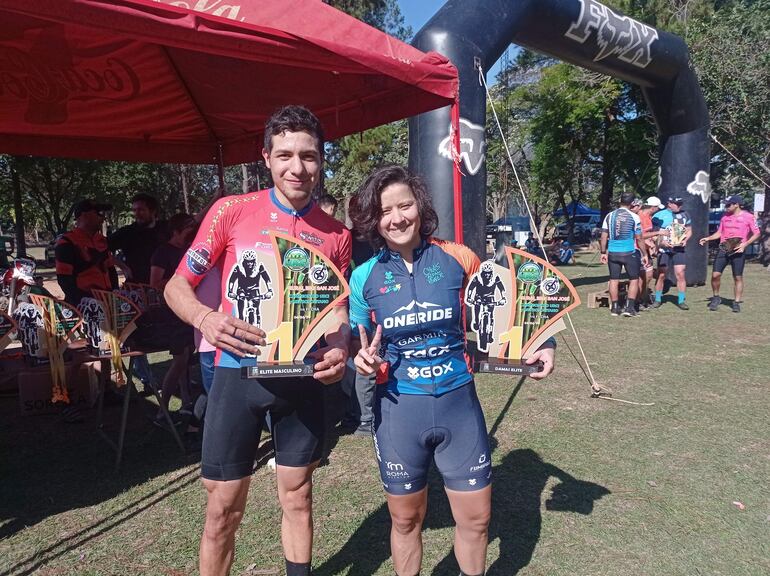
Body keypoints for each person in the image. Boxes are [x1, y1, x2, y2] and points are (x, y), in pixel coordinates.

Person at [164, 105, 351, 576]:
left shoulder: (337, 235)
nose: (297, 167)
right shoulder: (232, 210)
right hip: (237, 375)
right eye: (285, 154)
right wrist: (205, 319)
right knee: (223, 509)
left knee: (299, 495)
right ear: (265, 157)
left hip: (302, 377)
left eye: (308, 156)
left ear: (321, 160)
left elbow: (339, 311)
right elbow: (175, 287)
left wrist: (341, 347)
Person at [348, 165, 555, 576]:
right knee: (406, 521)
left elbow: (504, 306)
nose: (397, 217)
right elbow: (360, 339)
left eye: (404, 205)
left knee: (476, 521)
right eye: (385, 210)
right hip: (399, 412)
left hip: (460, 408)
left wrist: (541, 342)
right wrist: (362, 357)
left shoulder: (458, 256)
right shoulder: (363, 277)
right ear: (375, 219)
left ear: (420, 207)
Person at [149, 213, 198, 423]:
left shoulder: (188, 250)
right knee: (179, 361)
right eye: (187, 229)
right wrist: (182, 281)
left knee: (186, 360)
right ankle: (162, 410)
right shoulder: (163, 253)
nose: (191, 233)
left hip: (189, 310)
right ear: (176, 231)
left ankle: (186, 403)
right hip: (171, 312)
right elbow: (155, 282)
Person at [699, 195, 760, 312]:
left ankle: (736, 302)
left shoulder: (749, 217)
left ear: (736, 204)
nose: (726, 207)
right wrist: (707, 238)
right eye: (726, 204)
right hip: (724, 247)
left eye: (729, 204)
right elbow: (719, 233)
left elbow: (757, 233)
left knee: (737, 277)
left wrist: (745, 244)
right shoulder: (725, 217)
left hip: (738, 249)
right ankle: (716, 297)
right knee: (715, 275)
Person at [55, 199, 120, 307]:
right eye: (98, 213)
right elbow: (64, 280)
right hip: (84, 306)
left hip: (108, 302)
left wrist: (115, 292)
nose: (103, 217)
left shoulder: (101, 240)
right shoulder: (67, 242)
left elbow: (111, 270)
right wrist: (83, 303)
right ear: (84, 215)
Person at [599, 192, 648, 317]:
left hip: (613, 253)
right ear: (632, 203)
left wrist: (603, 252)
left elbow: (603, 236)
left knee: (613, 279)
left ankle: (615, 308)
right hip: (629, 252)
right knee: (634, 279)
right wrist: (644, 254)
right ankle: (629, 308)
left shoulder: (609, 216)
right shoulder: (634, 216)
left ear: (620, 201)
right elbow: (639, 238)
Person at [108, 193, 168, 283]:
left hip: (162, 285)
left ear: (152, 211)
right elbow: (102, 248)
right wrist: (122, 266)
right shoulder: (127, 232)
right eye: (134, 210)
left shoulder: (166, 228)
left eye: (141, 210)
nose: (137, 214)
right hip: (137, 286)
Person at [650, 196, 692, 309]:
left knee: (681, 274)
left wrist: (685, 240)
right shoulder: (659, 215)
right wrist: (662, 243)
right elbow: (653, 235)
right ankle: (658, 299)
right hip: (664, 250)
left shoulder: (685, 214)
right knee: (662, 275)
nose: (679, 206)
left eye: (680, 204)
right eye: (677, 204)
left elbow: (689, 230)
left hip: (679, 249)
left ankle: (681, 300)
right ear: (669, 203)